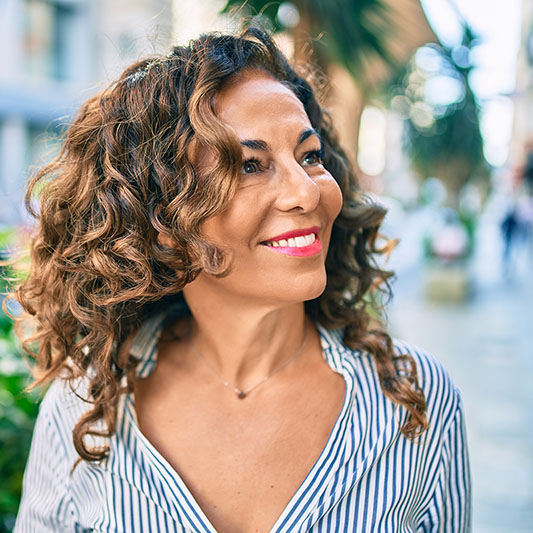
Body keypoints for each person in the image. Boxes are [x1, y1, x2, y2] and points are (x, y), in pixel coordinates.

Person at [13, 27, 471, 532]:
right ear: (165, 224)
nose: (306, 192)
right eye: (250, 166)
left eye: (309, 156)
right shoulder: (86, 404)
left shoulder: (413, 398)